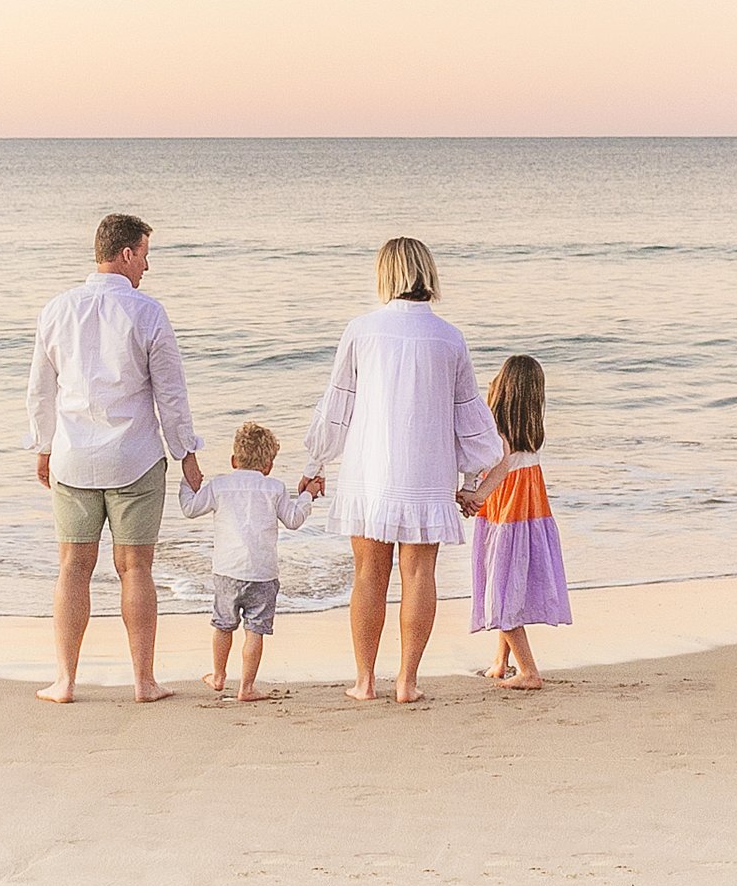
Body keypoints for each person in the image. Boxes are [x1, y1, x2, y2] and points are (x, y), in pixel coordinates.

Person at [300, 236, 501, 704]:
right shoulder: (449, 337)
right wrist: (473, 482)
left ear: (386, 275)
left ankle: (365, 681)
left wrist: (314, 464)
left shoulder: (362, 329)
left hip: (369, 469)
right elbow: (469, 418)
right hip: (427, 472)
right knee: (419, 575)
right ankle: (407, 683)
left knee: (368, 573)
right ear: (427, 274)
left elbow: (338, 407)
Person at [25, 212, 203, 704]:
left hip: (74, 459)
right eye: (145, 255)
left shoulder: (57, 309)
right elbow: (171, 394)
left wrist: (44, 445)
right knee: (136, 569)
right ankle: (144, 682)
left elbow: (41, 391)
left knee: (72, 567)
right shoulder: (148, 313)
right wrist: (186, 452)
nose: (147, 267)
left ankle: (64, 681)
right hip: (136, 458)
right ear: (126, 253)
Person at [177, 420, 321, 702]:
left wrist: (188, 483)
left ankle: (218, 676)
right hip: (263, 574)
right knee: (255, 630)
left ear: (233, 460)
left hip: (227, 572)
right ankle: (247, 688)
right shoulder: (275, 488)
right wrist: (307, 495)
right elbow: (294, 520)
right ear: (268, 466)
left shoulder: (219, 486)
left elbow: (190, 508)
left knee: (222, 625)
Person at [457, 354, 572, 690]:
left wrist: (472, 496)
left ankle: (529, 672)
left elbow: (497, 468)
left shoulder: (498, 432)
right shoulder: (531, 434)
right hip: (528, 520)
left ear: (502, 389)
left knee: (501, 596)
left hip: (505, 519)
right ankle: (500, 662)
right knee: (507, 588)